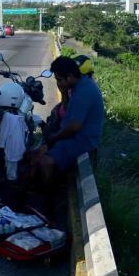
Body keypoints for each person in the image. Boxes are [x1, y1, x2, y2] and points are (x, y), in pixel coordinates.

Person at [31, 56, 104, 190]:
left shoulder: (84, 92)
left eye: (59, 80)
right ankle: (27, 190)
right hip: (71, 136)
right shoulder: (78, 86)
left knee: (45, 162)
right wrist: (64, 92)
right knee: (36, 155)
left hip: (81, 140)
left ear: (70, 77)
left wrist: (54, 139)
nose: (58, 83)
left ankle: (48, 196)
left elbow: (74, 127)